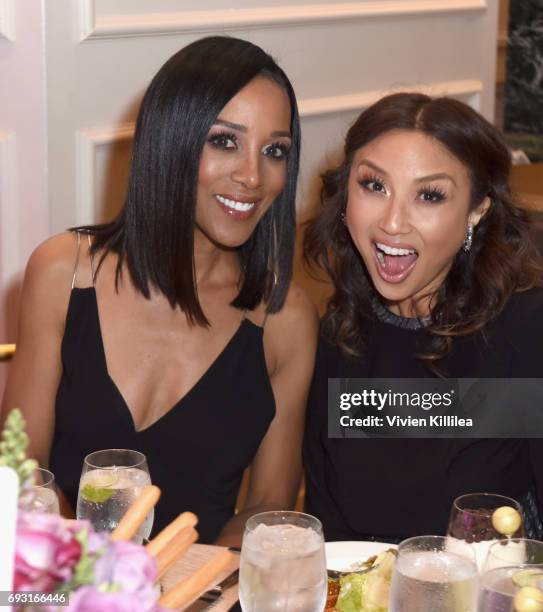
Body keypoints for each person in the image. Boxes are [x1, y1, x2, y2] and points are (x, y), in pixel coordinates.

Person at [2, 36, 317, 546]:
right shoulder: (65, 272)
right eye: (224, 141)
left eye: (275, 151)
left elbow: (266, 509)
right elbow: (24, 467)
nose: (253, 176)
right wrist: (90, 579)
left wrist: (188, 591)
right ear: (170, 140)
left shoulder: (284, 318)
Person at [303, 93, 543, 571]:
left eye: (429, 195)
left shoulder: (530, 335)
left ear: (477, 212)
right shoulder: (342, 334)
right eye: (373, 185)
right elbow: (328, 534)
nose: (392, 221)